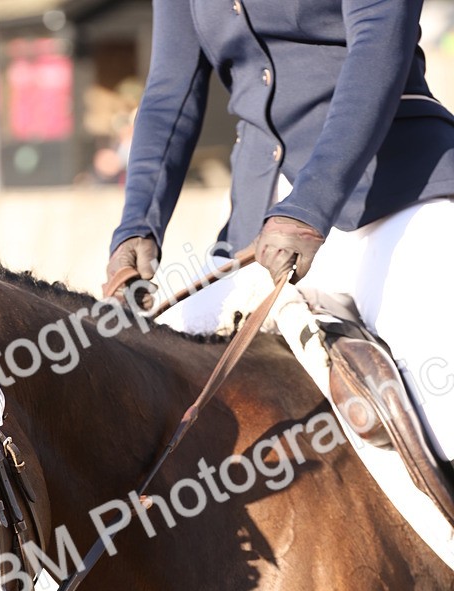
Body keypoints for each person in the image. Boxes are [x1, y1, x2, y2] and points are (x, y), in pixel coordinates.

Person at [104, 0, 454, 461]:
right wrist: (137, 226)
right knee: (137, 388)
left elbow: (378, 44)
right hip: (257, 222)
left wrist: (310, 203)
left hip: (395, 192)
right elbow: (172, 87)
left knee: (442, 394)